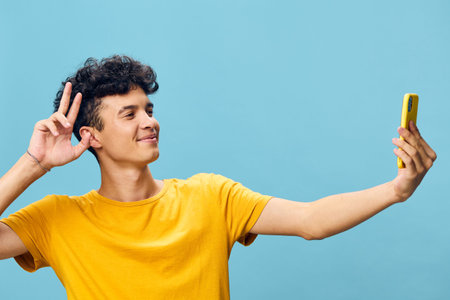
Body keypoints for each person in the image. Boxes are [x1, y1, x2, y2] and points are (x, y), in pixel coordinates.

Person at [0, 55, 437, 300]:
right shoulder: (59, 219)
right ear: (90, 136)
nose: (149, 122)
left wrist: (397, 189)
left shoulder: (209, 195)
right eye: (129, 114)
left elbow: (311, 221)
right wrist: (33, 165)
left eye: (149, 110)